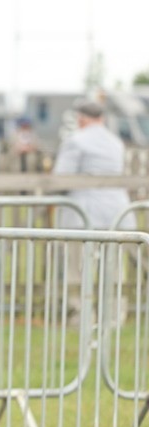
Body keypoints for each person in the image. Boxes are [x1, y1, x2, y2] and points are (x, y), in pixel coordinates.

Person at [52, 100, 129, 323]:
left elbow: (62, 177)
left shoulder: (75, 141)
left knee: (78, 268)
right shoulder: (116, 142)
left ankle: (80, 315)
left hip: (83, 213)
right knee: (113, 267)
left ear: (81, 118)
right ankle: (115, 315)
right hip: (116, 212)